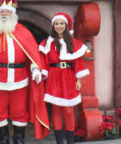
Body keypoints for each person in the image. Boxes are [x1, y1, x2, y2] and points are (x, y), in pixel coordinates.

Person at [0, 0, 49, 144]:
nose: (4, 15)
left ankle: (19, 139)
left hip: (20, 79)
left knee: (19, 111)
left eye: (7, 12)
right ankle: (3, 140)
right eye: (2, 12)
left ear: (13, 14)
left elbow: (33, 54)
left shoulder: (24, 33)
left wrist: (35, 69)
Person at [39, 13, 90, 144]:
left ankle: (71, 141)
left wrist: (78, 79)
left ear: (66, 25)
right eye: (57, 23)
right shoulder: (47, 43)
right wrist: (42, 75)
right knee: (56, 110)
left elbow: (78, 62)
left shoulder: (74, 43)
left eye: (62, 23)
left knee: (68, 110)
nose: (59, 26)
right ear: (53, 26)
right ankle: (59, 141)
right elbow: (43, 61)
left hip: (69, 76)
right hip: (54, 76)